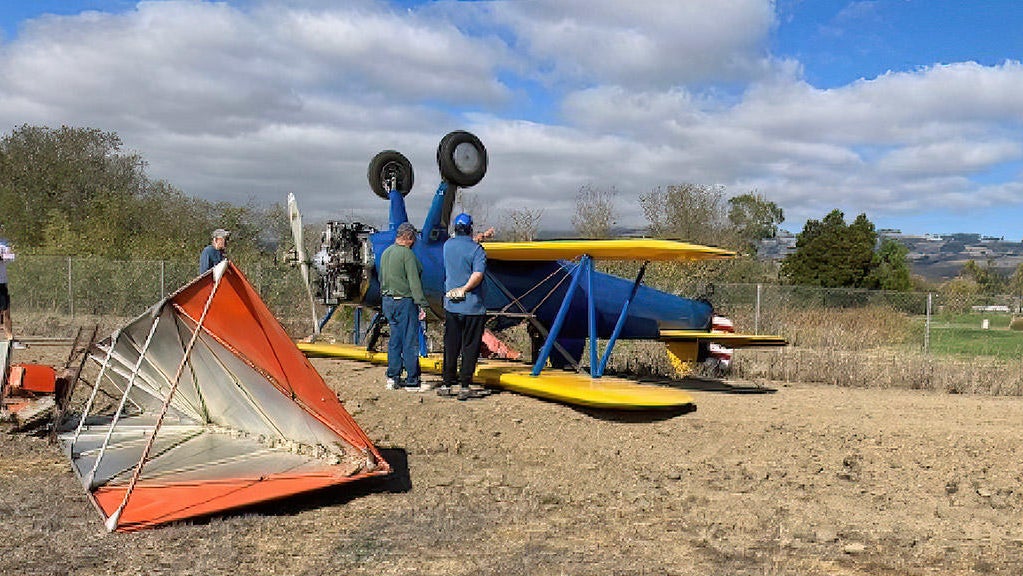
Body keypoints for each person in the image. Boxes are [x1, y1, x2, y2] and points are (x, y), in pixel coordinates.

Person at [442, 212, 489, 400]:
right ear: (470, 228)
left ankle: (447, 383)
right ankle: (464, 385)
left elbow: (461, 246)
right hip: (473, 307)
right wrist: (465, 288)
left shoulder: (447, 246)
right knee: (470, 346)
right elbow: (478, 274)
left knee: (451, 344)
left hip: (452, 306)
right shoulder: (477, 250)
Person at [379, 222, 429, 391]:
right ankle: (412, 380)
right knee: (409, 340)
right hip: (404, 302)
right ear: (408, 238)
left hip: (387, 301)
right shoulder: (407, 255)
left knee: (395, 339)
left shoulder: (386, 253)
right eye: (413, 238)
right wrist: (423, 304)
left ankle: (393, 376)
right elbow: (414, 282)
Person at [0, 236, 24, 349]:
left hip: (1, 283)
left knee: (6, 312)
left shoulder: (4, 243)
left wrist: (2, 257)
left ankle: (10, 338)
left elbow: (11, 256)